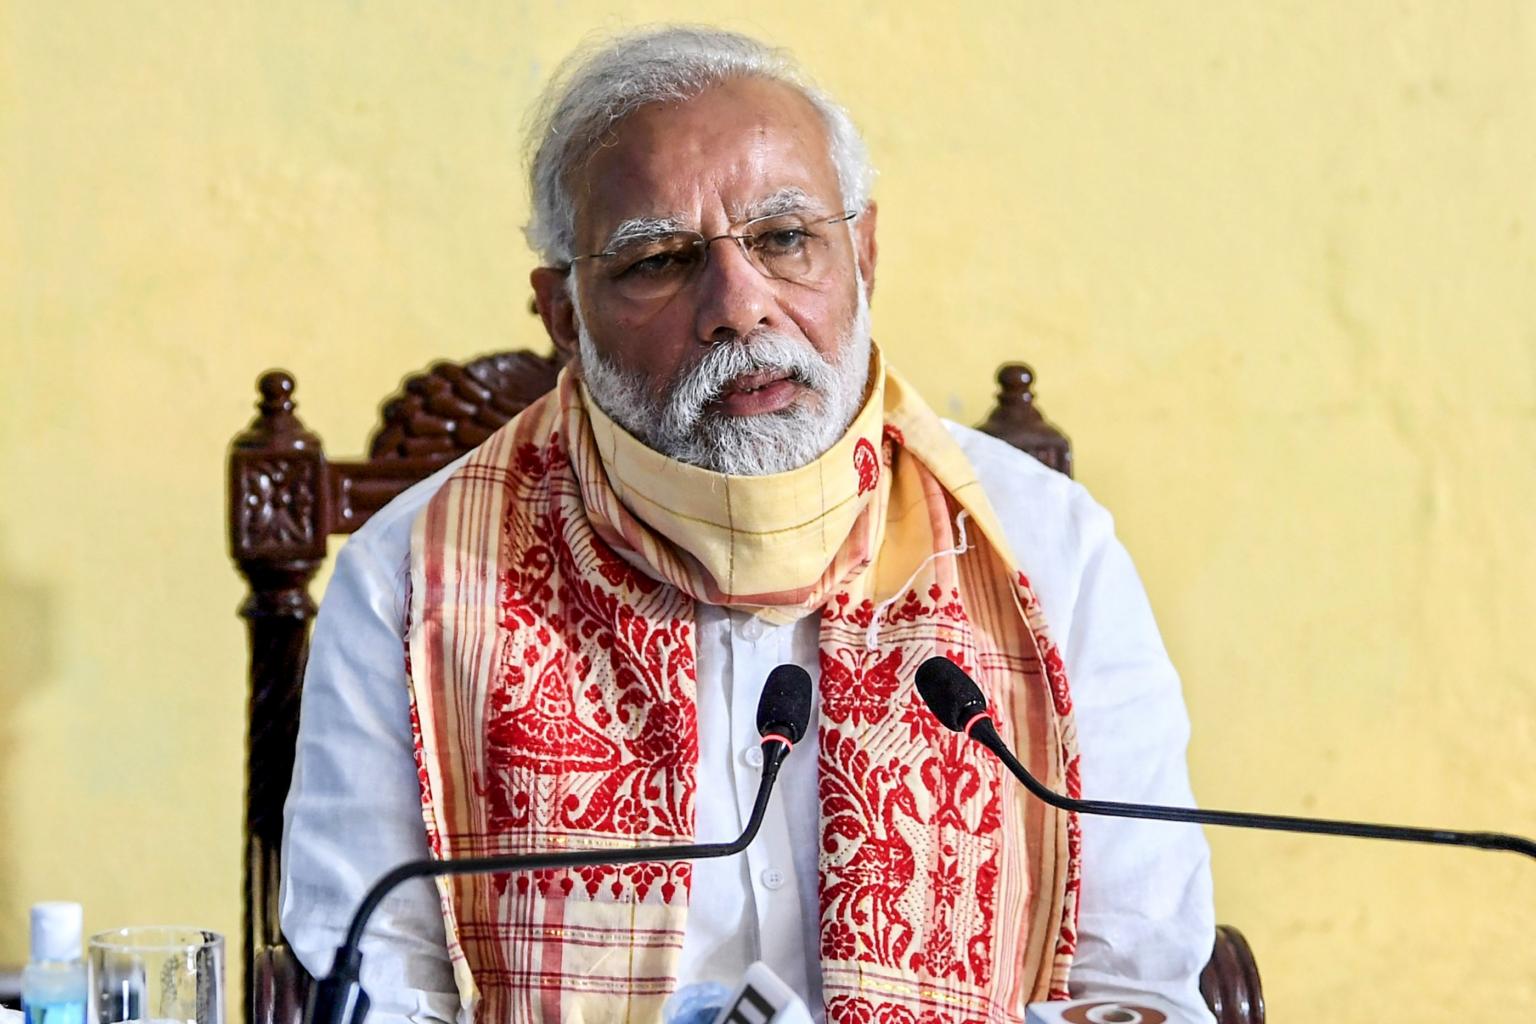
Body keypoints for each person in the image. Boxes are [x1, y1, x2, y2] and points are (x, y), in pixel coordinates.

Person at [280, 25, 1216, 1024]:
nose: (739, 305)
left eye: (783, 239)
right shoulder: (413, 582)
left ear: (863, 251)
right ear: (563, 316)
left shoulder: (1047, 552)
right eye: (659, 259)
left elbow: (1136, 985)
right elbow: (373, 989)